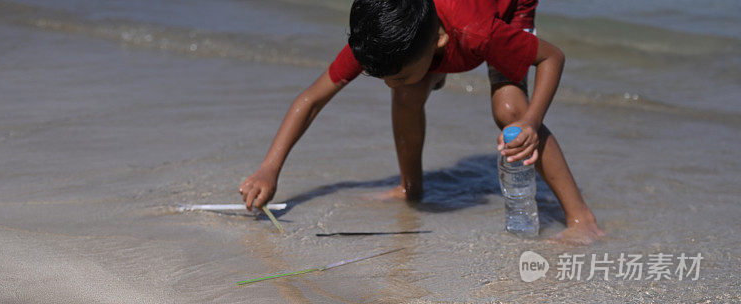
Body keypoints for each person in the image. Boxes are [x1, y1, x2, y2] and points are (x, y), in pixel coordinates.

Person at [239, 0, 604, 244]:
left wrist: (531, 121)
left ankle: (580, 217)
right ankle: (410, 187)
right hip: (442, 35)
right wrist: (269, 169)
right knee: (408, 93)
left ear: (439, 43)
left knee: (509, 111)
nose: (386, 83)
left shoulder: (481, 34)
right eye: (381, 76)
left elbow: (552, 58)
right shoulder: (385, 38)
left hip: (503, 11)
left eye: (395, 74)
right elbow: (311, 99)